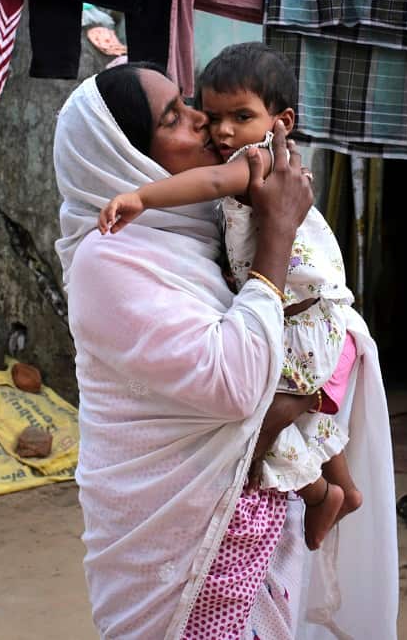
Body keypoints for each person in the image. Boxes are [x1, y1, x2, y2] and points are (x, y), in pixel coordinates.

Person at [54, 58, 398, 639]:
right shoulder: (109, 257)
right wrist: (280, 231)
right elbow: (237, 386)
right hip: (180, 547)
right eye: (177, 117)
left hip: (251, 526)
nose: (206, 123)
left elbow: (284, 364)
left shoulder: (200, 231)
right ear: (127, 155)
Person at [98, 44, 364, 552]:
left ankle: (318, 493)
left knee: (263, 418)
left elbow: (213, 179)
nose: (221, 131)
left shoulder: (255, 161)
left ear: (281, 120)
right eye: (214, 115)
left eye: (241, 117)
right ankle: (345, 489)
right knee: (303, 413)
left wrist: (141, 196)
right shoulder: (267, 160)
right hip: (311, 314)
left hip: (300, 323)